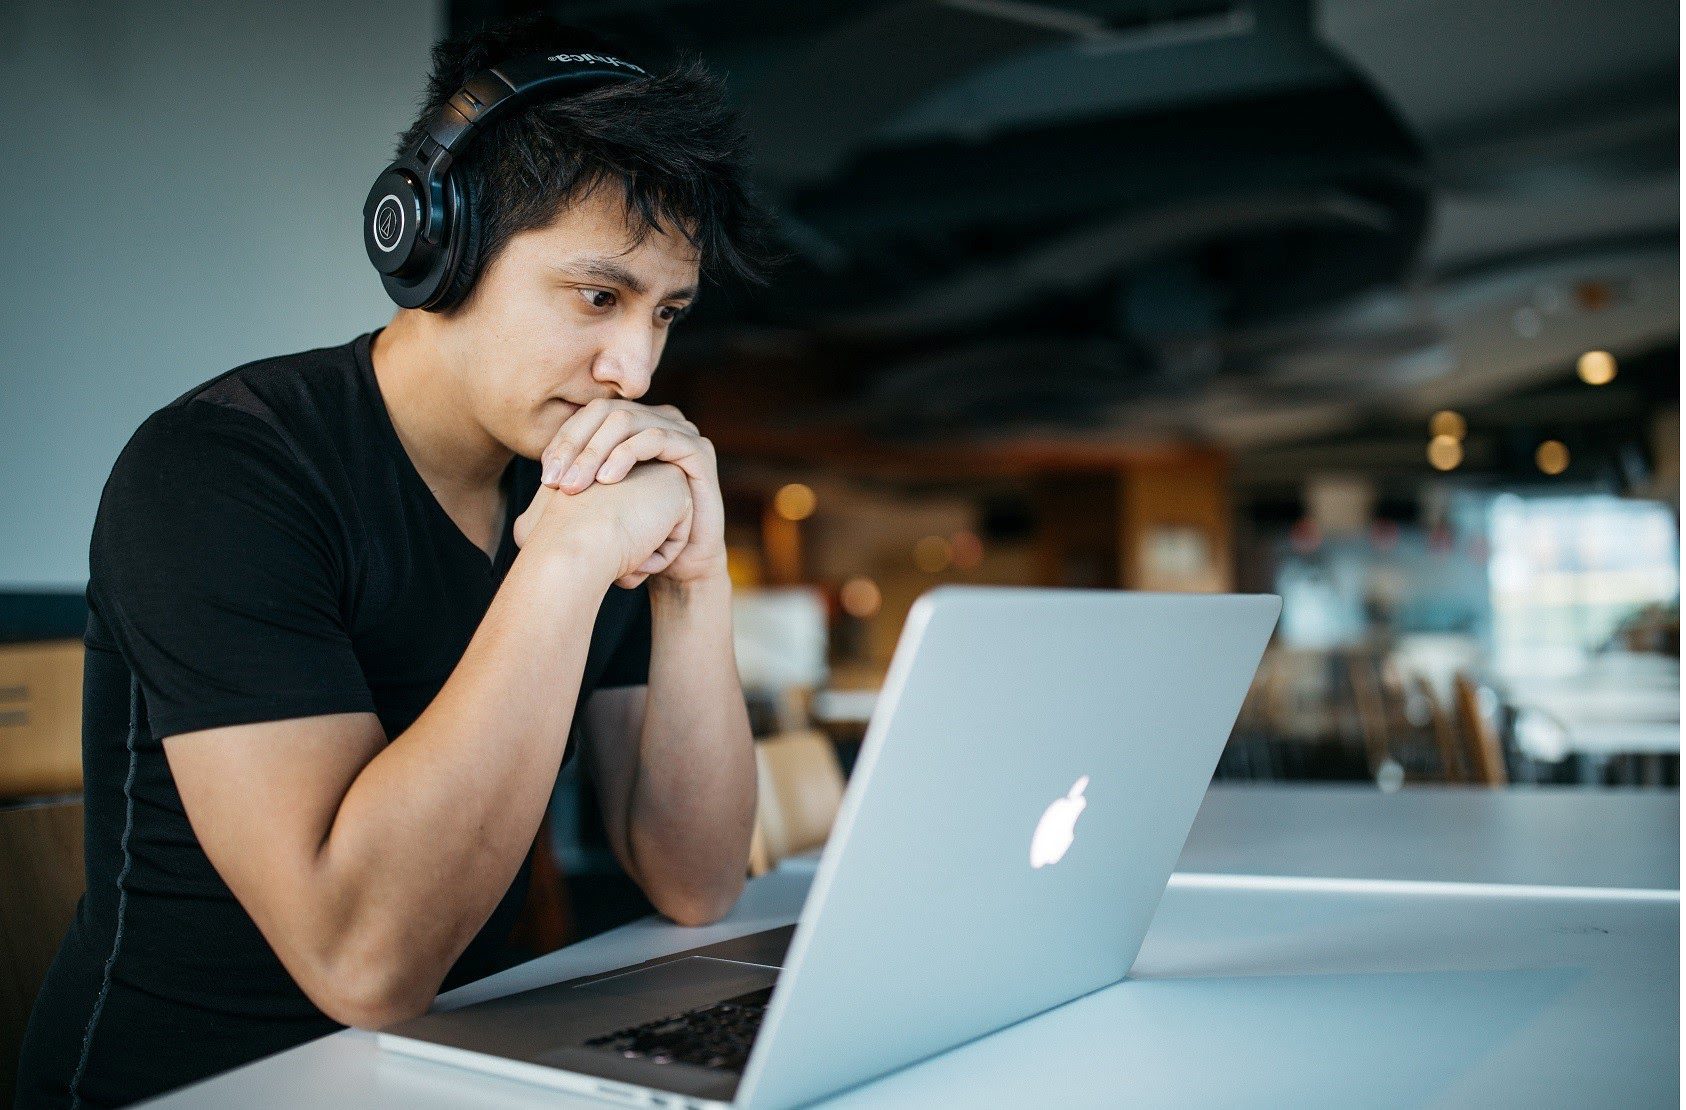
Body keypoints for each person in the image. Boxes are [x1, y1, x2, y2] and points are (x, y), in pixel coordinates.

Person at [17, 14, 774, 1108]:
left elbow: (697, 883)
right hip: (199, 1084)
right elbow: (363, 963)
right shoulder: (219, 471)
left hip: (447, 1070)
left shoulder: (573, 478)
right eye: (599, 296)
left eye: (668, 313)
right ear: (436, 244)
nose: (635, 364)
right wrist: (561, 567)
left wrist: (696, 582)